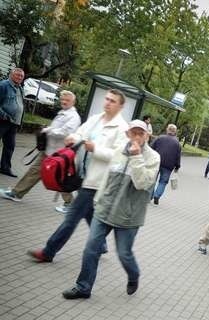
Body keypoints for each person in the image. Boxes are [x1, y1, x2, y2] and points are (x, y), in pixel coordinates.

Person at [61, 119, 160, 299]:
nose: (137, 136)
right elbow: (107, 177)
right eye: (134, 132)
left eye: (141, 133)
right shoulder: (118, 151)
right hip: (104, 209)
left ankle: (133, 275)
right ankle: (83, 287)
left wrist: (137, 157)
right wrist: (98, 200)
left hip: (128, 216)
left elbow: (143, 183)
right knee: (91, 248)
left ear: (147, 135)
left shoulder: (153, 157)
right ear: (127, 134)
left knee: (124, 254)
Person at [27, 89, 129, 263]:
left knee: (72, 217)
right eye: (107, 99)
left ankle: (48, 251)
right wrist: (72, 138)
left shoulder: (122, 128)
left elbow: (118, 157)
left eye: (112, 101)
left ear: (121, 105)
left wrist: (95, 148)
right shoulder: (96, 119)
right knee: (88, 213)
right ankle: (101, 244)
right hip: (81, 172)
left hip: (96, 181)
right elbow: (80, 133)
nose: (107, 103)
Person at [0, 90, 80, 205]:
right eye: (62, 99)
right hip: (49, 150)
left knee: (59, 178)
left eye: (67, 100)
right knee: (35, 172)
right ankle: (16, 193)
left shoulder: (73, 116)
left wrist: (48, 130)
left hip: (58, 153)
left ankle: (71, 203)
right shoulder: (63, 112)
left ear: (73, 102)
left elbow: (65, 132)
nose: (64, 102)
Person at [0, 68, 25, 177]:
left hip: (14, 123)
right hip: (3, 121)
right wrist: (4, 116)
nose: (19, 77)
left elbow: (20, 104)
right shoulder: (3, 85)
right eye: (17, 75)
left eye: (21, 76)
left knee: (10, 145)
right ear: (11, 75)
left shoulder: (20, 88)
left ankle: (5, 168)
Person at [150, 123, 181, 204]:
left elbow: (151, 148)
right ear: (175, 132)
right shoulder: (177, 143)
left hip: (156, 162)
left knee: (153, 179)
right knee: (163, 182)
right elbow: (178, 156)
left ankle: (149, 196)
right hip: (168, 166)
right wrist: (177, 166)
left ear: (167, 129)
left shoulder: (159, 138)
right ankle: (157, 196)